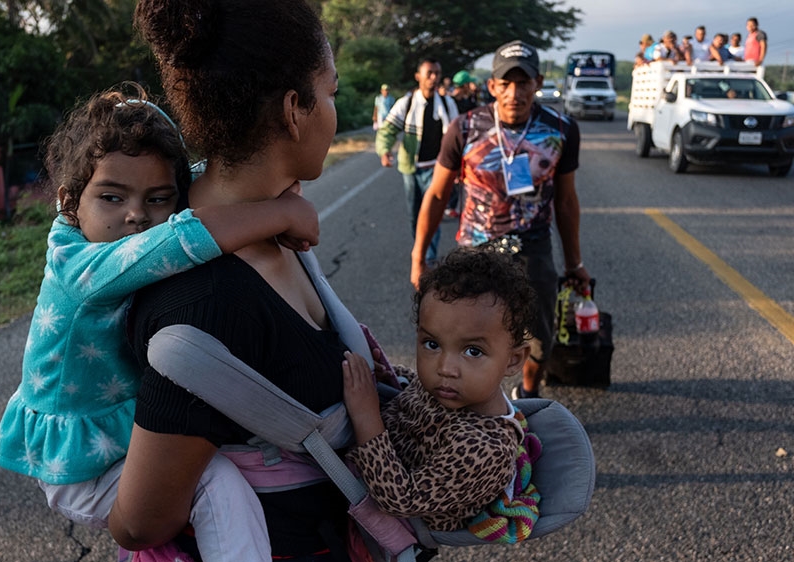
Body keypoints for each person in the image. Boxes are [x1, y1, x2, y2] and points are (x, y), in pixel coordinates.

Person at [0, 84, 320, 561]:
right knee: (217, 483)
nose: (136, 216)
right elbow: (177, 241)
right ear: (69, 203)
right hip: (83, 468)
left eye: (158, 198)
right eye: (111, 197)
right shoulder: (77, 266)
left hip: (117, 433)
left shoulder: (115, 228)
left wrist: (263, 183)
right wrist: (278, 212)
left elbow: (202, 182)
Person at [114, 1, 361, 560]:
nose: (333, 109)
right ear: (295, 110)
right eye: (331, 92)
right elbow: (141, 521)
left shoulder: (275, 221)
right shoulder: (207, 302)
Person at [408, 40, 590, 400]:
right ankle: (469, 402)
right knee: (466, 335)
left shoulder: (561, 129)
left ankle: (528, 394)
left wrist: (574, 263)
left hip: (532, 249)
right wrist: (418, 257)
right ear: (492, 86)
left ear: (538, 83)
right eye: (506, 83)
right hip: (475, 251)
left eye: (523, 83)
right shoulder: (465, 127)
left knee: (540, 337)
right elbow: (437, 195)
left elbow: (567, 201)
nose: (514, 93)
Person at [342, 246, 540, 536]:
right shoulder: (452, 390)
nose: (445, 368)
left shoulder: (485, 450)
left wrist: (366, 416)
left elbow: (401, 499)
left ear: (513, 360)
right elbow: (418, 390)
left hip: (395, 526)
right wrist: (392, 375)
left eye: (473, 351)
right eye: (432, 344)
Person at [377, 58, 460, 265]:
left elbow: (457, 137)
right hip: (411, 169)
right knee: (415, 214)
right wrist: (384, 151)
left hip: (437, 169)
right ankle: (420, 250)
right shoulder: (406, 104)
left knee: (431, 213)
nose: (434, 78)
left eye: (437, 73)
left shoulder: (447, 104)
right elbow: (387, 131)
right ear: (418, 76)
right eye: (429, 73)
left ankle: (428, 258)